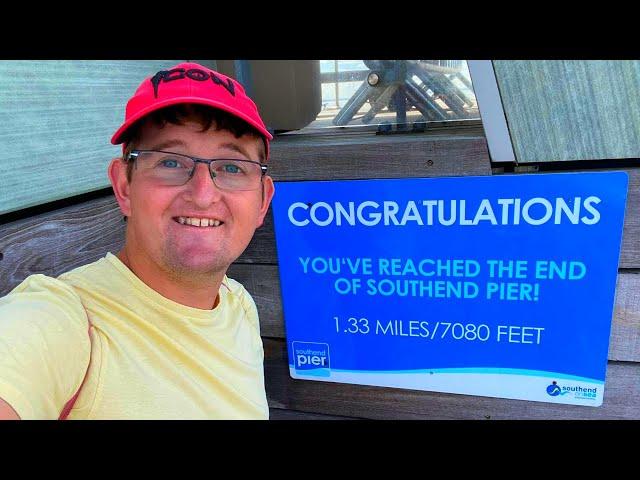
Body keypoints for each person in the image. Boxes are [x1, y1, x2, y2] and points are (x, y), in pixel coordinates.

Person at [0, 62, 275, 419]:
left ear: (262, 202)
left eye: (232, 167)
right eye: (170, 163)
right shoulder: (61, 321)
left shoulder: (239, 306)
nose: (203, 194)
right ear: (124, 186)